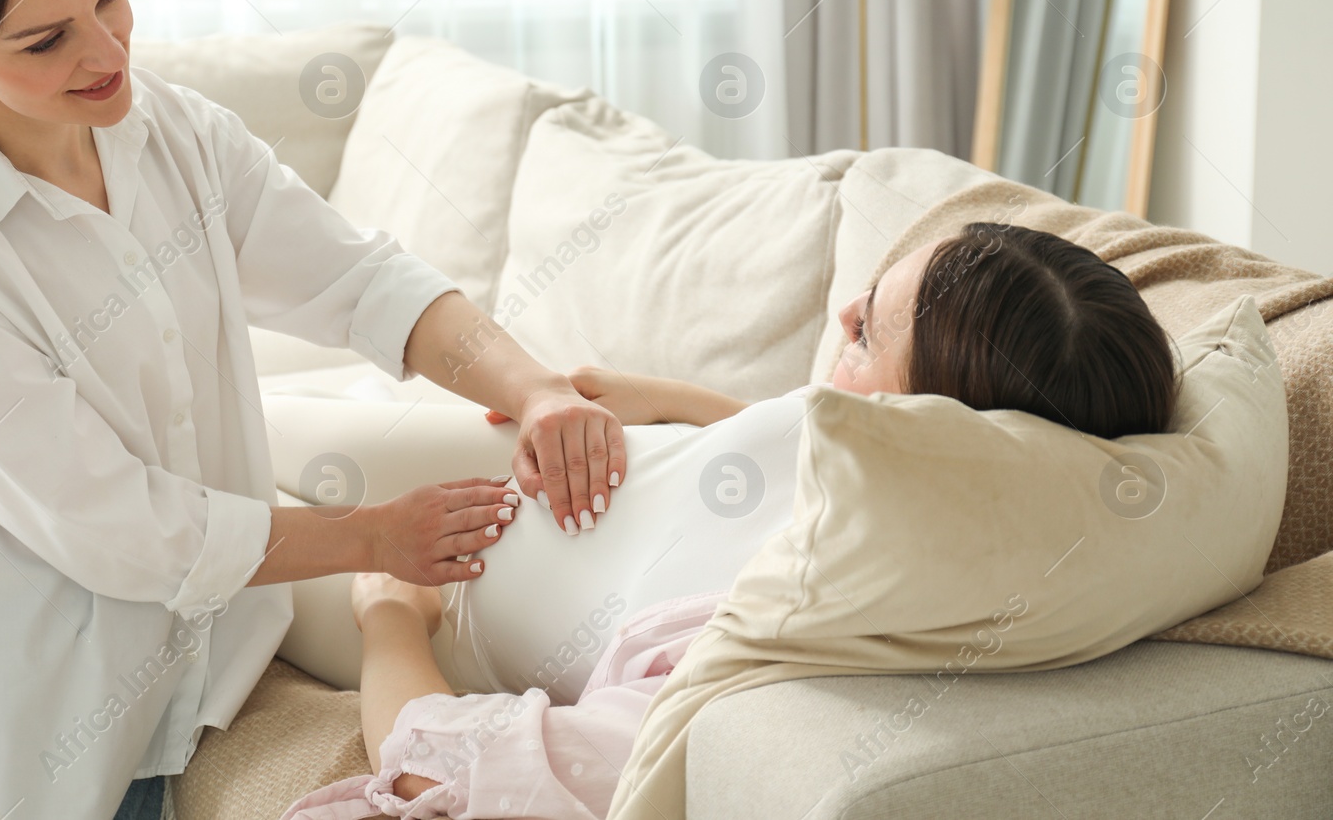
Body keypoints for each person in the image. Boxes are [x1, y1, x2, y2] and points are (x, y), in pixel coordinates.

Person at [0, 0, 630, 820]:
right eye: (45, 41)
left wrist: (532, 387)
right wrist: (371, 535)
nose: (108, 51)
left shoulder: (170, 130)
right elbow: (112, 523)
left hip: (167, 671)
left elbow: (356, 275)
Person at [279, 220, 1182, 818]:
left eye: (866, 333)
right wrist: (679, 405)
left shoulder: (774, 637)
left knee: (189, 479)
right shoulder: (913, 475)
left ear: (928, 432)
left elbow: (442, 770)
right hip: (510, 454)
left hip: (439, 577)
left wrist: (392, 616)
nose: (839, 314)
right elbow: (826, 448)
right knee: (214, 400)